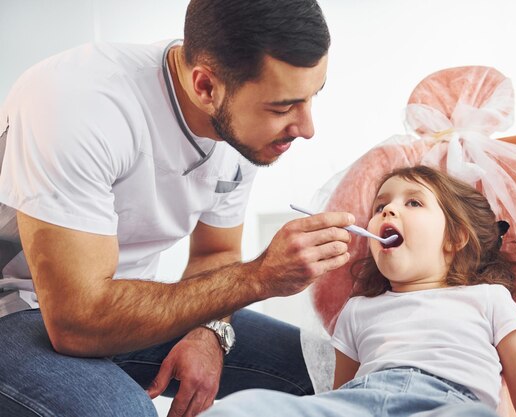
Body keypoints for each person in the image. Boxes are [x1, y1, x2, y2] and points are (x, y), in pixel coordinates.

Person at [0, 1, 355, 416]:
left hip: (115, 307)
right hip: (25, 309)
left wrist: (210, 333)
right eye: (282, 108)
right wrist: (262, 276)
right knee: (126, 412)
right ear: (205, 87)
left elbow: (215, 253)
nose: (307, 128)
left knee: (323, 371)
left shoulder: (240, 130)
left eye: (312, 97)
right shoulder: (78, 102)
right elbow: (76, 323)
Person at [202, 165, 516, 417]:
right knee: (242, 407)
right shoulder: (357, 310)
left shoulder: (489, 299)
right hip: (358, 402)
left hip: (450, 404)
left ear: (455, 237)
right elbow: (338, 396)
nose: (389, 208)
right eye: (380, 206)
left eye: (413, 202)